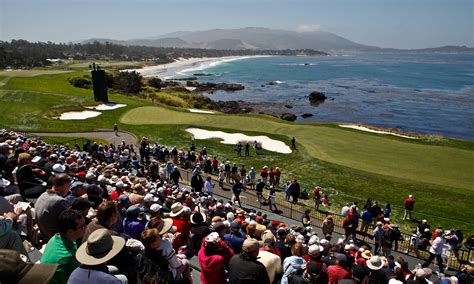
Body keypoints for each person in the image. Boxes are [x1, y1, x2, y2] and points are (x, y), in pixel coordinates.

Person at [40, 209, 86, 284]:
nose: (86, 227)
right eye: (82, 226)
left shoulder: (55, 238)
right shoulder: (66, 259)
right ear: (70, 232)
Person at [35, 173, 72, 241]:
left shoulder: (43, 194)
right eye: (69, 185)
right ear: (64, 186)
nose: (70, 188)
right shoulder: (60, 201)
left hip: (45, 234)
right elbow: (72, 220)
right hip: (56, 238)